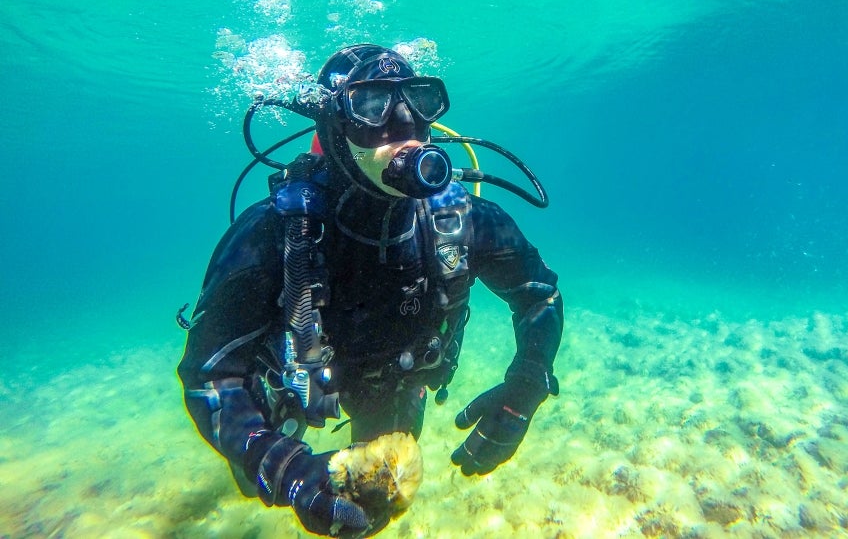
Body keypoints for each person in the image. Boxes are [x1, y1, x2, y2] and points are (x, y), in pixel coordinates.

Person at [177, 43, 563, 537]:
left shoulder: (460, 220)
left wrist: (524, 389)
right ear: (335, 128)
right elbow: (211, 376)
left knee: (375, 501)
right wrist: (288, 471)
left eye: (418, 101)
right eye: (371, 104)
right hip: (301, 386)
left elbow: (540, 295)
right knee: (258, 482)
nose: (403, 124)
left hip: (398, 381)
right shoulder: (270, 237)